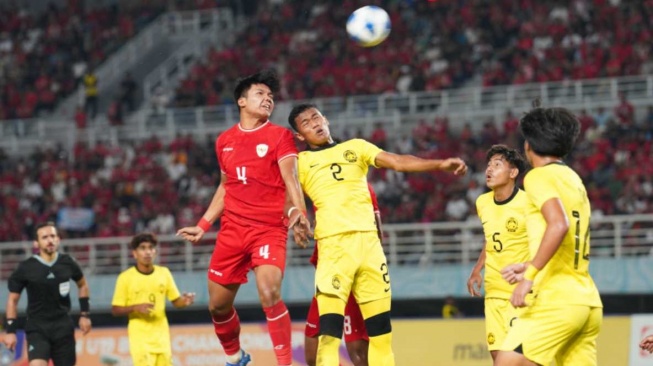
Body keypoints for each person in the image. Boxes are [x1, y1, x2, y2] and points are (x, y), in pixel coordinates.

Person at [287, 103, 467, 366]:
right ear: (300, 136)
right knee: (330, 335)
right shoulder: (300, 162)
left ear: (326, 118)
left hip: (370, 249)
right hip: (334, 248)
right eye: (306, 122)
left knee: (382, 336)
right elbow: (287, 198)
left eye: (316, 117)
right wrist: (296, 216)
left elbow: (397, 162)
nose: (314, 123)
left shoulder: (357, 147)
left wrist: (439, 164)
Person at [176, 70, 310, 366]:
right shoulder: (225, 141)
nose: (268, 100)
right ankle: (235, 357)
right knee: (218, 307)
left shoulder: (280, 136)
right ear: (241, 100)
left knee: (269, 291)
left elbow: (292, 177)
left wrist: (300, 213)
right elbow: (226, 186)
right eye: (261, 94)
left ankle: (285, 363)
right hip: (232, 232)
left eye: (271, 97)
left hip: (268, 230)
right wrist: (202, 225)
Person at [497, 105, 603, 365]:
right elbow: (570, 238)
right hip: (586, 302)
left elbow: (559, 225)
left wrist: (530, 275)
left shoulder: (537, 177)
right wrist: (529, 264)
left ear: (528, 145)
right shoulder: (573, 179)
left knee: (507, 362)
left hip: (555, 301)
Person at [303, 183, 381, 366]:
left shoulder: (362, 186)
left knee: (358, 353)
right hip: (326, 277)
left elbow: (377, 232)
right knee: (312, 356)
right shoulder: (317, 178)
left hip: (351, 275)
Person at [466, 144, 530, 361]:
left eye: (497, 164)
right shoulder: (482, 202)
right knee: (498, 358)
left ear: (513, 173)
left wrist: (529, 274)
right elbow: (490, 238)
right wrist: (477, 269)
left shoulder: (528, 204)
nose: (489, 170)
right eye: (488, 165)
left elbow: (542, 243)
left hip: (520, 293)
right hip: (493, 293)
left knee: (524, 359)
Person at [2, 222, 92, 366]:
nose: (50, 240)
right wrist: (10, 331)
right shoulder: (26, 267)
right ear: (36, 243)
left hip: (63, 327)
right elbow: (12, 300)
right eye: (44, 237)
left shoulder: (67, 262)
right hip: (37, 328)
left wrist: (85, 315)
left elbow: (82, 285)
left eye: (52, 236)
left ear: (58, 239)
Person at [111, 232, 196, 366]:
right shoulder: (125, 278)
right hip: (140, 338)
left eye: (151, 248)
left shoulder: (164, 273)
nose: (147, 252)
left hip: (162, 337)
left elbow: (176, 301)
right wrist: (135, 307)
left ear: (155, 252)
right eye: (143, 248)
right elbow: (115, 310)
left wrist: (185, 301)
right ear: (134, 253)